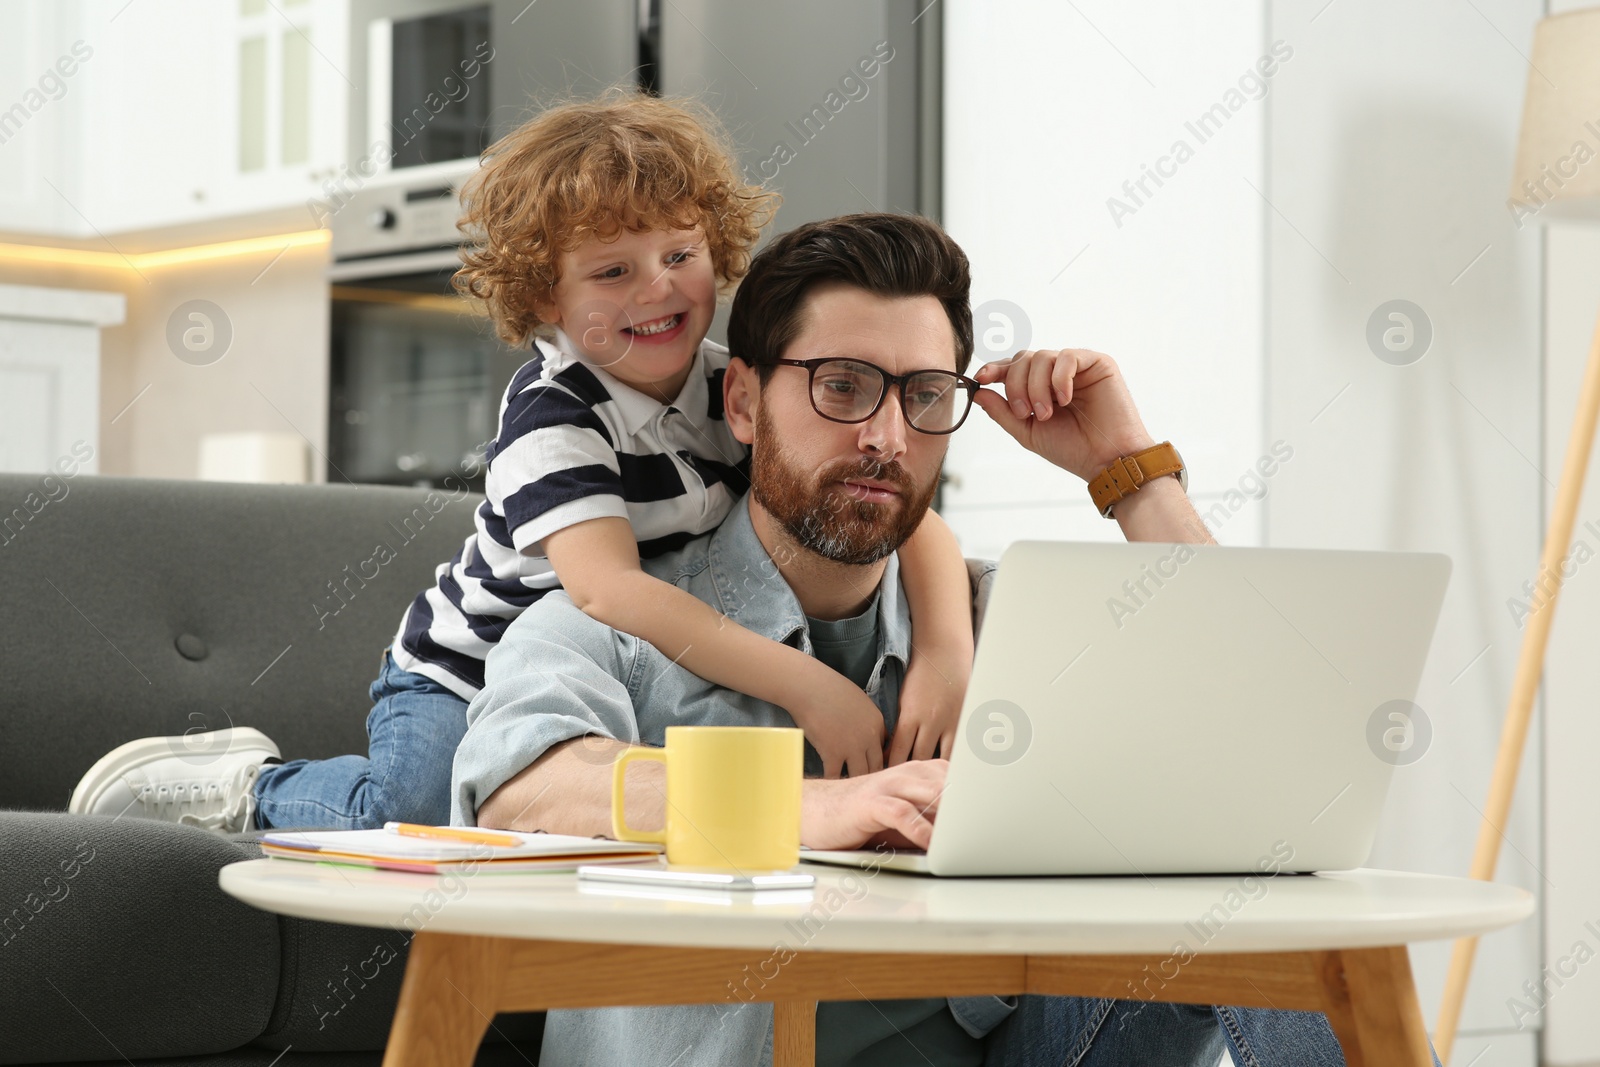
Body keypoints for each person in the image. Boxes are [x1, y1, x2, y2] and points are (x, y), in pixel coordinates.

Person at [450, 211, 1406, 1067]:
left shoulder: (997, 619)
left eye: (922, 394)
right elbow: (519, 789)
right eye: (843, 386)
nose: (887, 436)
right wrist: (801, 809)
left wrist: (1131, 473)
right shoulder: (613, 613)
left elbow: (1253, 720)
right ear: (740, 402)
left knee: (1264, 882)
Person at [66, 91, 977, 833]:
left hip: (613, 663)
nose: (658, 289)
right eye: (611, 272)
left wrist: (941, 655)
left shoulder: (731, 386)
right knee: (418, 812)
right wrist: (808, 684)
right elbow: (610, 592)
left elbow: (908, 511)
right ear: (545, 292)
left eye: (679, 254)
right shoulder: (554, 414)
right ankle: (252, 790)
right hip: (469, 666)